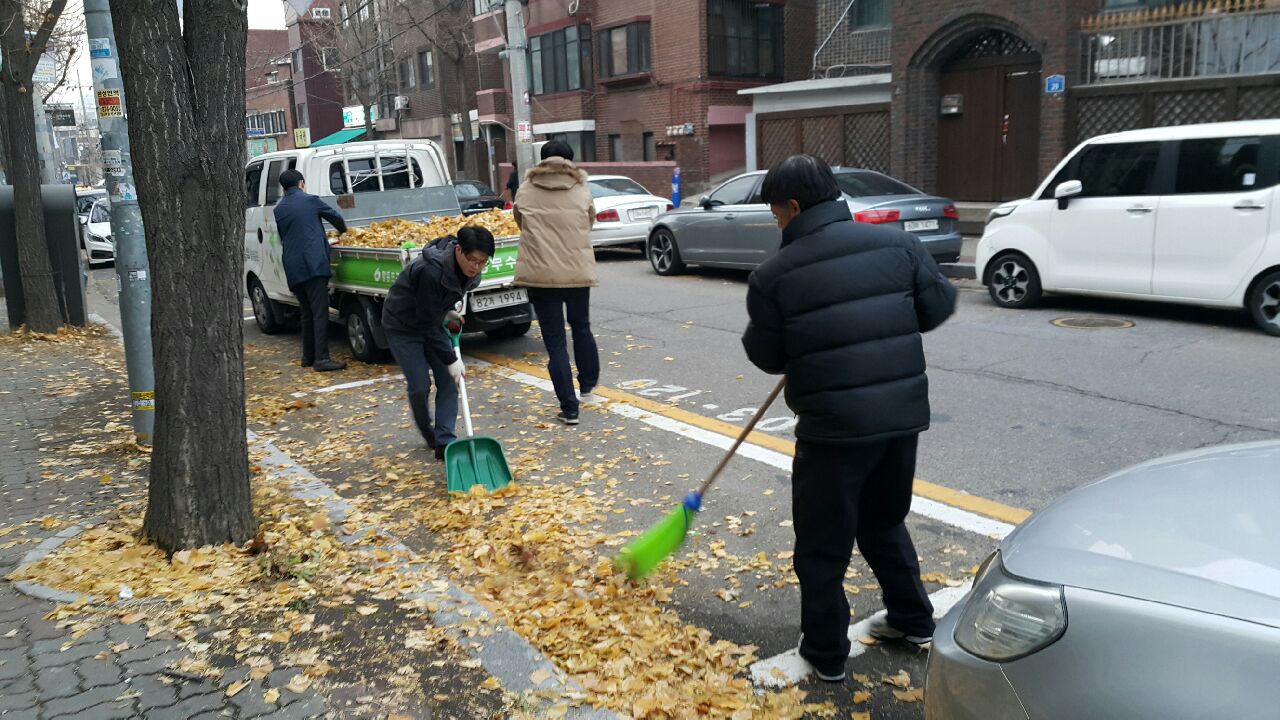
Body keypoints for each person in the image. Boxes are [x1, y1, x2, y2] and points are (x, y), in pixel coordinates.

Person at [741, 155, 957, 683]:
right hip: (901, 420)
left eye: (775, 214)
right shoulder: (899, 245)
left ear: (793, 207)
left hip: (833, 431)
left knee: (822, 544)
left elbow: (767, 355)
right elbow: (936, 307)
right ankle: (912, 619)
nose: (776, 223)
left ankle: (825, 652)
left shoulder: (775, 275)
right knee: (883, 521)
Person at [382, 226, 495, 460]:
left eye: (482, 262)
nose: (476, 267)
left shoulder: (473, 273)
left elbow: (436, 308)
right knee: (420, 385)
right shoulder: (430, 271)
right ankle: (428, 431)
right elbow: (425, 323)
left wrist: (445, 312)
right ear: (459, 250)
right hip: (402, 325)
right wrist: (452, 359)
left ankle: (445, 441)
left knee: (449, 379)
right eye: (472, 260)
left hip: (431, 320)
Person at [512, 140, 600, 426]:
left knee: (555, 342)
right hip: (576, 271)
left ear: (542, 160)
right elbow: (589, 222)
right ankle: (587, 384)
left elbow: (520, 222)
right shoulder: (580, 189)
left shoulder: (525, 189)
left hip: (541, 275)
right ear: (570, 160)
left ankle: (569, 408)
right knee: (581, 326)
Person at [275, 168, 348, 372]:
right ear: (302, 184)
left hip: (292, 265)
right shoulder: (310, 200)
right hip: (313, 264)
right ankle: (322, 359)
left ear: (284, 189)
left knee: (306, 313)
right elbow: (335, 218)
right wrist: (344, 232)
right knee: (319, 312)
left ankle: (307, 356)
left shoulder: (279, 209)